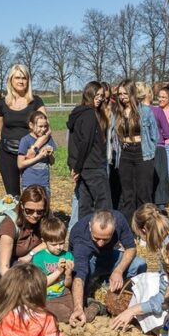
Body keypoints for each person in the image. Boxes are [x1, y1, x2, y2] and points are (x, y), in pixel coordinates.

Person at [109, 204, 169, 332]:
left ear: (144, 231)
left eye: (139, 235)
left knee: (147, 281)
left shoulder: (168, 252)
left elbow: (163, 300)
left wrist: (132, 310)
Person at [68, 210, 147, 327]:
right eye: (96, 238)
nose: (100, 243)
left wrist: (118, 271)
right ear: (90, 227)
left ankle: (124, 298)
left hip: (109, 258)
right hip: (88, 262)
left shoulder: (119, 219)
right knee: (82, 286)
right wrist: (78, 308)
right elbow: (79, 276)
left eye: (106, 239)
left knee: (139, 264)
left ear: (114, 228)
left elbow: (131, 248)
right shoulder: (80, 236)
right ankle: (92, 293)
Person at [109, 78, 159, 224]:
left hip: (142, 154)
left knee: (144, 194)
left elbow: (154, 136)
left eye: (125, 93)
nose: (122, 97)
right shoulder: (117, 112)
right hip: (124, 154)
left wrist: (149, 151)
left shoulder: (145, 111)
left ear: (132, 93)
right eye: (120, 94)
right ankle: (130, 230)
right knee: (128, 195)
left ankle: (147, 228)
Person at [0, 64, 46, 196]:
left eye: (24, 78)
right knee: (13, 195)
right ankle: (16, 216)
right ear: (10, 80)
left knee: (34, 193)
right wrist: (7, 145)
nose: (21, 81)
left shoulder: (36, 102)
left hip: (30, 153)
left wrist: (33, 148)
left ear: (28, 80)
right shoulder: (2, 103)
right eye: (17, 77)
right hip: (7, 153)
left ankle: (34, 215)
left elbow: (47, 130)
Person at [32, 216, 92, 324]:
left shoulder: (68, 255)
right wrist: (59, 271)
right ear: (44, 241)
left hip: (64, 293)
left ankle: (94, 307)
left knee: (77, 311)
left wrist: (68, 274)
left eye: (61, 243)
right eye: (54, 244)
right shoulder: (38, 258)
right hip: (46, 297)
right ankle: (91, 308)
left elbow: (67, 284)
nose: (59, 247)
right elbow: (40, 284)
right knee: (63, 315)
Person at [67, 81, 111, 227]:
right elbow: (85, 142)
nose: (99, 98)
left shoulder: (78, 113)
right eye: (96, 95)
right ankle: (105, 235)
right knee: (103, 204)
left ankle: (84, 233)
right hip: (93, 166)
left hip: (84, 168)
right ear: (88, 93)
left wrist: (76, 166)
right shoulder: (89, 115)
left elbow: (74, 143)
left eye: (101, 96)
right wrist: (77, 167)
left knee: (85, 205)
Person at [0, 185, 48, 277]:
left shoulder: (46, 216)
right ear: (21, 206)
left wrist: (30, 254)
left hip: (25, 257)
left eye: (39, 211)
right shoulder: (10, 224)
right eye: (29, 211)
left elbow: (51, 241)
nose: (35, 215)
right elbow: (3, 267)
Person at [152, 82, 169, 215]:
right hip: (158, 147)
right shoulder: (155, 110)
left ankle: (163, 200)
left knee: (165, 174)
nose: (161, 99)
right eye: (159, 97)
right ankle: (158, 197)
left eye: (164, 97)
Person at [17, 111, 56, 195]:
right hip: (29, 183)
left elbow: (52, 162)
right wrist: (39, 157)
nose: (43, 129)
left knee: (45, 207)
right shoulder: (25, 140)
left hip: (44, 183)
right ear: (31, 125)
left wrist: (50, 155)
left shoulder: (49, 139)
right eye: (40, 126)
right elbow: (20, 164)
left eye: (45, 126)